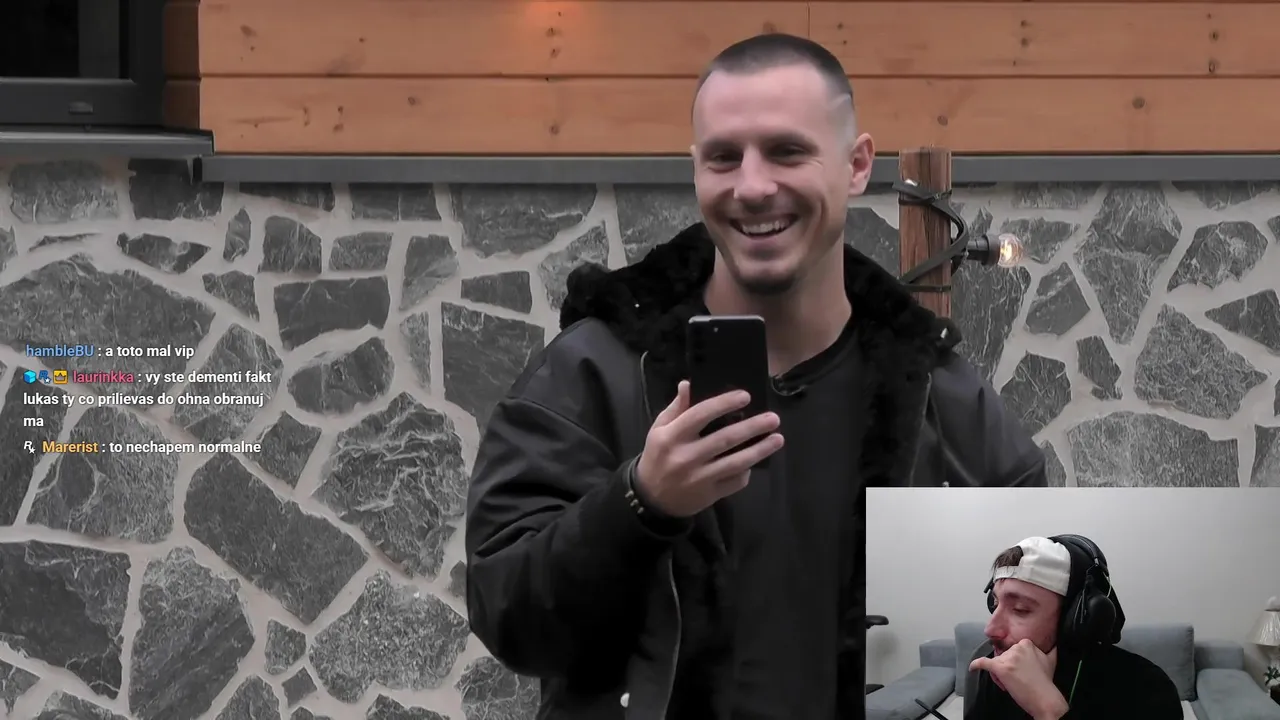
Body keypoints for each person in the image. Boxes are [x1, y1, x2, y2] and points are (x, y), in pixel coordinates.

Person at [465, 32, 1047, 720]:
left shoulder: (941, 401)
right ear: (696, 170)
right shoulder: (596, 371)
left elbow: (1025, 628)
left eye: (786, 151)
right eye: (723, 157)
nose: (751, 186)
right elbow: (508, 617)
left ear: (857, 165)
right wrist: (639, 502)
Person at [965, 535, 1182, 720]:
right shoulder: (1000, 669)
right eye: (995, 604)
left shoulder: (1148, 689)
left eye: (1020, 609)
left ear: (1075, 618)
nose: (990, 629)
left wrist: (1049, 710)